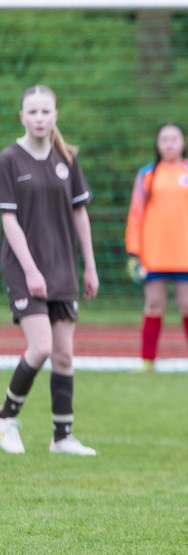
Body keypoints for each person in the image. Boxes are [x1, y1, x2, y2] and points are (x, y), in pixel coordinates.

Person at [0, 84, 99, 456]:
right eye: (33, 111)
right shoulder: (9, 159)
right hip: (25, 268)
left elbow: (80, 214)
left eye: (46, 111)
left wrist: (90, 266)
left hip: (63, 269)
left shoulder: (66, 158)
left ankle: (62, 438)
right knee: (40, 347)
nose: (40, 118)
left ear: (55, 115)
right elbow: (8, 220)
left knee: (63, 354)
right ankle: (5, 418)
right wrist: (30, 270)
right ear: (21, 116)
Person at [124, 122, 188, 373]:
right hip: (154, 252)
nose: (169, 143)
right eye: (164, 139)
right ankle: (147, 361)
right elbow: (136, 215)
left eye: (174, 139)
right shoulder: (147, 174)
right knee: (154, 304)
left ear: (183, 142)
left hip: (186, 252)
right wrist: (134, 252)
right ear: (158, 143)